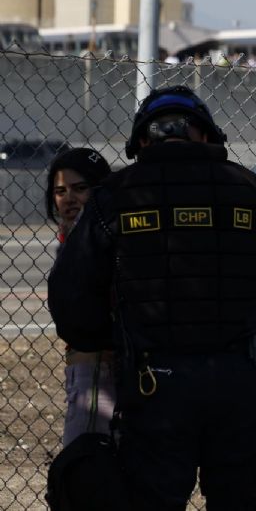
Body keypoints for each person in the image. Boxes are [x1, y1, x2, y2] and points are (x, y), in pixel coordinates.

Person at [48, 85, 256, 510]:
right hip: (239, 379)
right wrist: (247, 324)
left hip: (155, 383)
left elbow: (71, 301)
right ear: (205, 136)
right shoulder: (251, 191)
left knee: (153, 499)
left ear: (142, 142)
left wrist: (118, 338)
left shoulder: (113, 197)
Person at [46, 147, 114, 446]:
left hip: (102, 366)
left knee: (86, 462)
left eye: (80, 188)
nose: (68, 198)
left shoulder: (104, 240)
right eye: (60, 191)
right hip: (84, 366)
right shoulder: (72, 237)